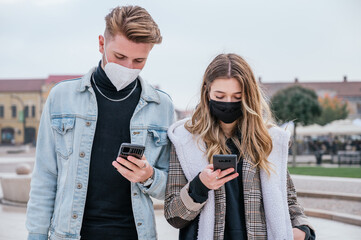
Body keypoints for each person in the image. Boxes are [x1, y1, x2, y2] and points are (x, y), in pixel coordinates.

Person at [26, 6, 174, 240]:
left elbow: (171, 188)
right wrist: (36, 235)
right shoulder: (61, 96)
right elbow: (45, 176)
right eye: (120, 57)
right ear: (101, 44)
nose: (128, 68)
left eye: (139, 60)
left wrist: (148, 176)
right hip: (70, 235)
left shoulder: (161, 106)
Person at [164, 53, 315, 240]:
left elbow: (289, 201)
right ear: (207, 91)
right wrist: (200, 186)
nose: (228, 103)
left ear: (249, 96)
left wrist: (303, 230)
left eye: (237, 96)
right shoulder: (185, 140)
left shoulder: (269, 140)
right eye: (220, 95)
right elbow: (173, 216)